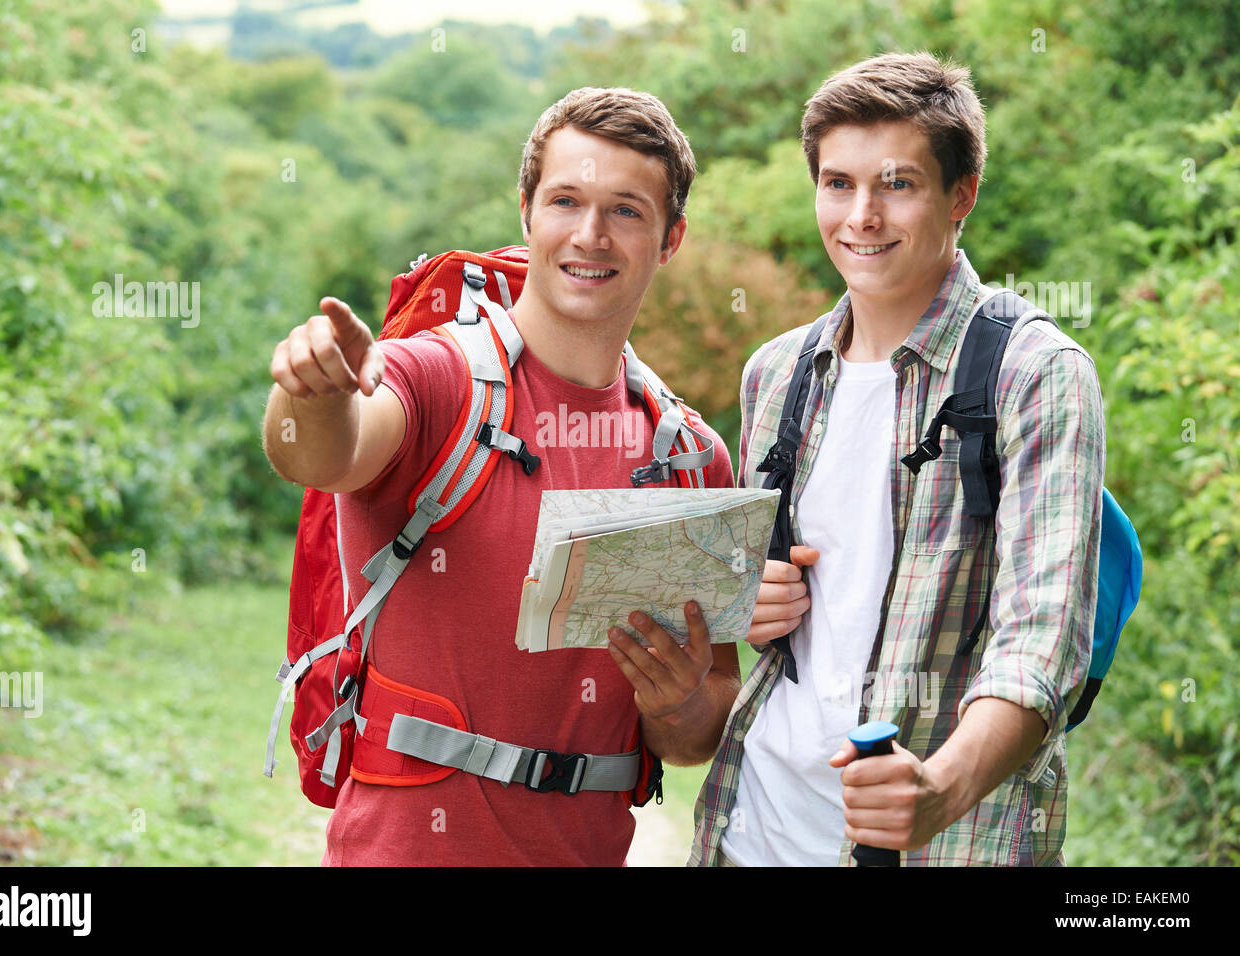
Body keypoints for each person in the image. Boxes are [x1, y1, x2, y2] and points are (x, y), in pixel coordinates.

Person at [262, 87, 740, 866]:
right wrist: (310, 389)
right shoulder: (436, 378)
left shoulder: (689, 456)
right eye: (565, 201)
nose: (590, 235)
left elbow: (694, 733)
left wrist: (680, 701)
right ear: (526, 211)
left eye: (626, 210)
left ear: (670, 237)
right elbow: (321, 454)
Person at [690, 52, 1104, 866]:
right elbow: (787, 610)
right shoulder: (775, 375)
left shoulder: (1036, 374)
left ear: (962, 196)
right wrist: (753, 598)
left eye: (898, 184)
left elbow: (1041, 644)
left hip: (944, 842)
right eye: (838, 183)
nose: (862, 216)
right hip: (756, 828)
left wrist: (939, 791)